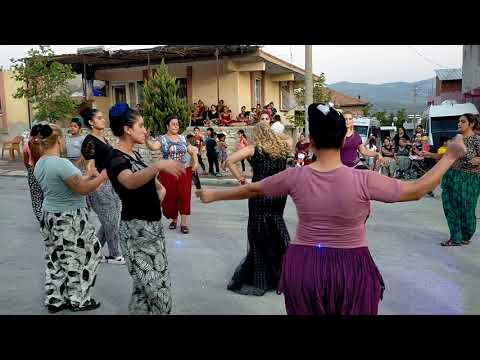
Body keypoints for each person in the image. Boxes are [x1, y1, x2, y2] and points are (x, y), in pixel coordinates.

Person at [196, 102, 467, 315]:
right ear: (343, 141)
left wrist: (214, 195)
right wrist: (451, 156)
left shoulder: (295, 177)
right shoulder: (363, 179)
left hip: (304, 265)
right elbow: (417, 189)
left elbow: (252, 188)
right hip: (352, 267)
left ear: (311, 141)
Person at [106, 103, 185, 314]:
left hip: (152, 229)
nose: (145, 130)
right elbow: (130, 181)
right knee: (159, 294)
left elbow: (154, 184)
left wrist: (158, 194)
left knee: (143, 292)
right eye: (140, 125)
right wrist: (158, 166)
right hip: (136, 232)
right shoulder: (115, 158)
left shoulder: (134, 155)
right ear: (127, 129)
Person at [34, 123, 108, 313]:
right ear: (59, 140)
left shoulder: (41, 162)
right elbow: (80, 189)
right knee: (85, 254)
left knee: (55, 257)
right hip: (69, 217)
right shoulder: (61, 163)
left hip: (50, 215)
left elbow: (68, 182)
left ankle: (55, 298)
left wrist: (87, 175)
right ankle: (79, 299)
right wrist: (102, 177)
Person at [218, 121, 293, 296]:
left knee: (258, 232)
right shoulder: (282, 147)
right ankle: (284, 275)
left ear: (256, 134)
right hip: (279, 194)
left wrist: (241, 179)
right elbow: (289, 137)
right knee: (277, 227)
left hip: (260, 192)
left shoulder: (254, 149)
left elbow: (229, 161)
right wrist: (273, 135)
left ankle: (261, 279)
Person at [421, 114, 480, 246]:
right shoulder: (455, 139)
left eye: (463, 122)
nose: (459, 124)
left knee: (467, 209)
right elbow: (446, 155)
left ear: (471, 124)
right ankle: (455, 237)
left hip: (469, 179)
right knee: (450, 207)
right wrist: (430, 154)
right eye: (458, 121)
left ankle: (466, 235)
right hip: (452, 176)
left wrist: (478, 159)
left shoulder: (477, 140)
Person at [80, 108, 124, 265]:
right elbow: (90, 169)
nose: (103, 120)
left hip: (112, 184)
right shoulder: (89, 141)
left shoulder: (103, 139)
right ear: (91, 122)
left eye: (102, 117)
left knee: (111, 221)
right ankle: (115, 254)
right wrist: (100, 182)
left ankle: (92, 252)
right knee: (111, 221)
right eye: (99, 118)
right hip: (100, 186)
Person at [146, 116, 198, 234]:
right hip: (168, 173)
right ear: (167, 126)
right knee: (171, 197)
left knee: (184, 196)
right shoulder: (162, 139)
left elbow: (192, 151)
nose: (176, 126)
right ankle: (174, 219)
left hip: (183, 171)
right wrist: (146, 139)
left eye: (177, 124)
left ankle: (184, 223)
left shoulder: (183, 138)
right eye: (173, 124)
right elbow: (153, 147)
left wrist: (195, 161)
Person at [23, 124, 43, 221]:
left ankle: (41, 218)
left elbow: (26, 162)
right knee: (47, 195)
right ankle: (48, 218)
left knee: (36, 198)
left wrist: (30, 170)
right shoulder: (45, 144)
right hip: (45, 171)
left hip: (33, 172)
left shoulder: (27, 144)